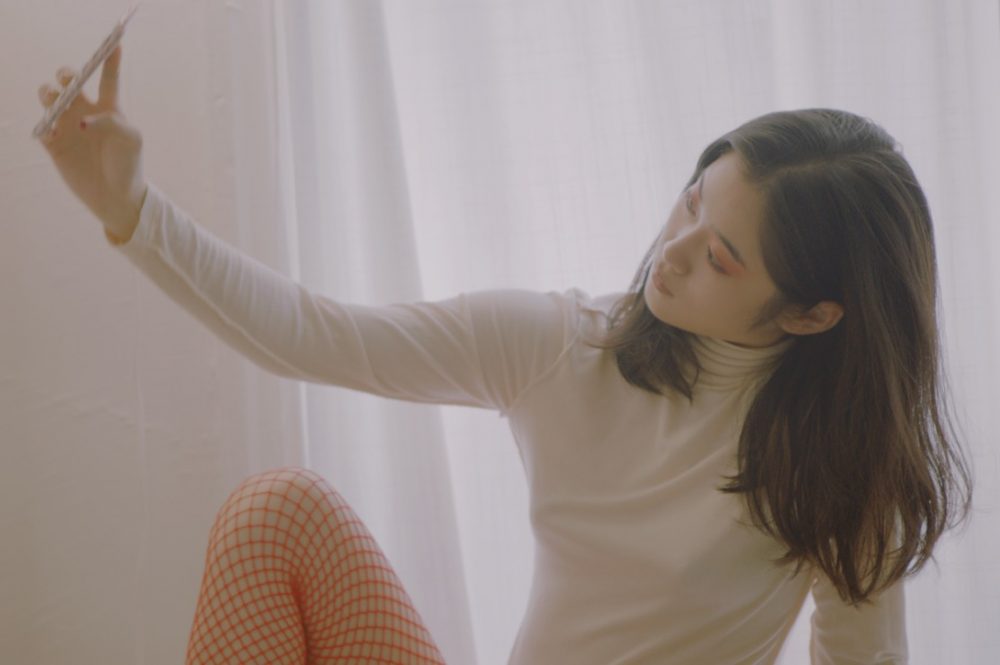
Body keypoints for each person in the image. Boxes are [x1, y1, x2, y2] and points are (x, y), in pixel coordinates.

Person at [36, 45, 973, 665]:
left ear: (811, 314)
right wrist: (132, 210)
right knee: (275, 511)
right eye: (692, 200)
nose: (675, 250)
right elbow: (311, 334)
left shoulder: (842, 471)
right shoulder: (568, 346)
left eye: (722, 257)